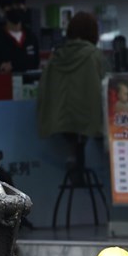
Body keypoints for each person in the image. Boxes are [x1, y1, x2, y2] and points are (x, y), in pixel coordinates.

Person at [37, 11, 109, 179]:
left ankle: (72, 158)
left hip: (60, 121)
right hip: (89, 121)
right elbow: (107, 85)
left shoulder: (56, 56)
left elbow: (44, 88)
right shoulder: (95, 55)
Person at [0, 0, 40, 73]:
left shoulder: (31, 37)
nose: (15, 8)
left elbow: (35, 63)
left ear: (24, 7)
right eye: (10, 6)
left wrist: (14, 64)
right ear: (2, 10)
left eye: (18, 5)